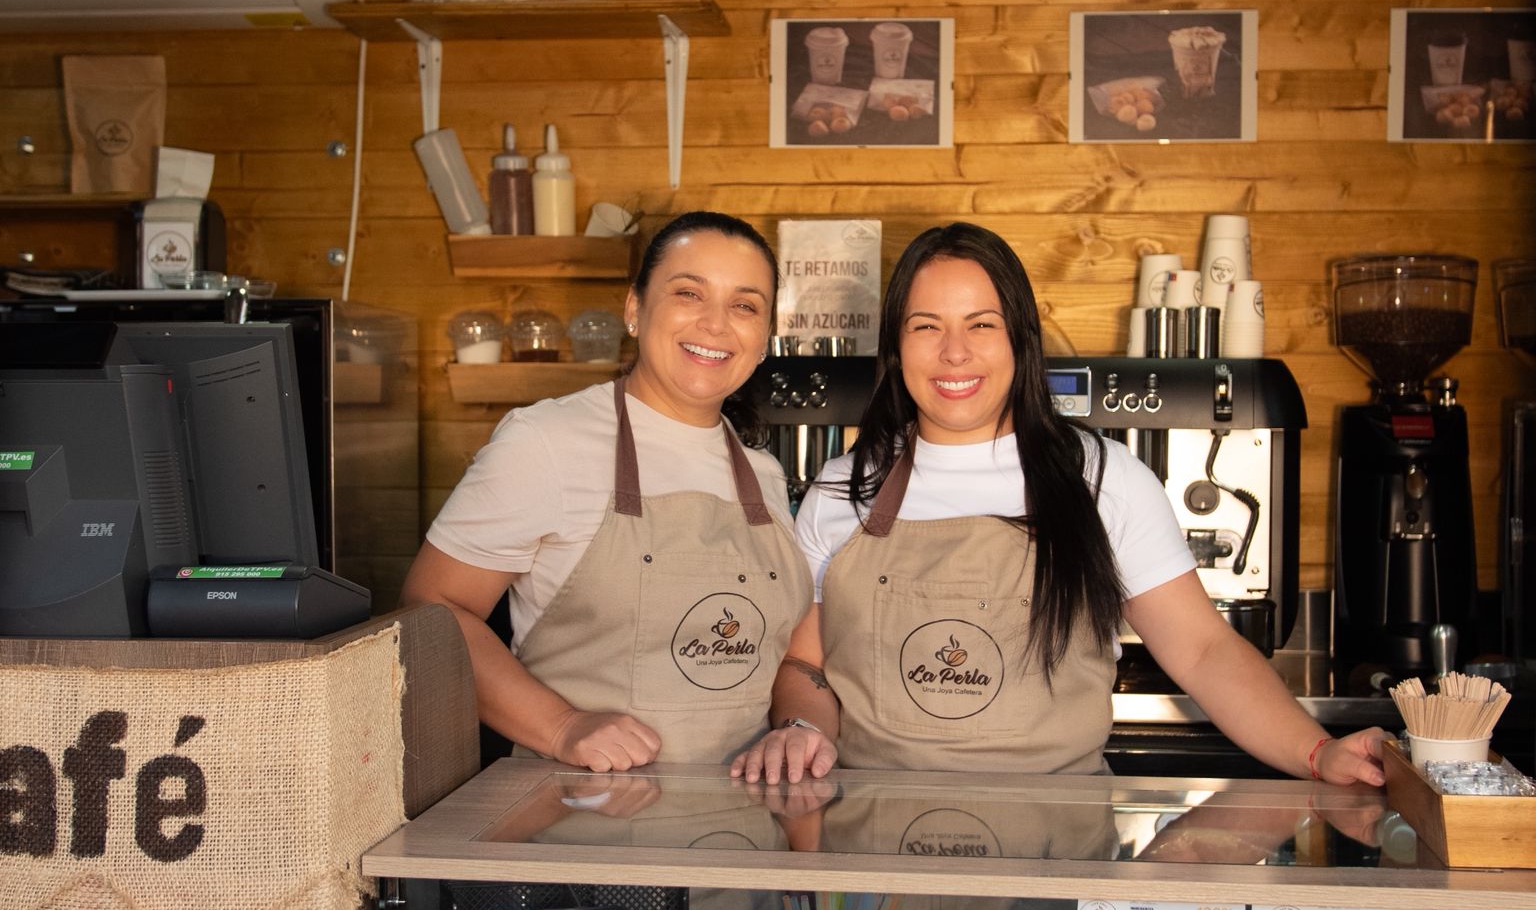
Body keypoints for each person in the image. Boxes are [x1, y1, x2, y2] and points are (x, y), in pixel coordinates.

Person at [733, 220, 1388, 789]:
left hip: (1056, 846)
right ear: (897, 347)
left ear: (1019, 340)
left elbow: (1203, 651)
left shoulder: (1101, 478)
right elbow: (805, 663)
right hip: (874, 847)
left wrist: (1317, 752)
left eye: (981, 325)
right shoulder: (844, 490)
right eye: (926, 326)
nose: (954, 352)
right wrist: (799, 729)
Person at [404, 210, 814, 769]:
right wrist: (561, 726)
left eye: (744, 306)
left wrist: (797, 729)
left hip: (740, 812)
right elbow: (432, 608)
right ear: (634, 309)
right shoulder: (545, 441)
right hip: (582, 806)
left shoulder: (764, 475)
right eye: (689, 293)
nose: (716, 324)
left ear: (764, 338)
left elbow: (787, 652)